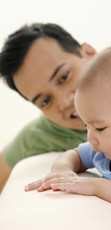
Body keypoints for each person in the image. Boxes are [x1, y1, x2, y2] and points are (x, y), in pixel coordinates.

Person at [25, 42, 111, 230]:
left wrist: (95, 186)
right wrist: (63, 171)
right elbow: (74, 155)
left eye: (99, 128)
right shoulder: (106, 149)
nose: (90, 137)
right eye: (86, 125)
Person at [0, 23, 97, 192]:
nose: (65, 101)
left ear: (89, 53)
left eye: (64, 77)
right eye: (45, 101)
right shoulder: (39, 135)